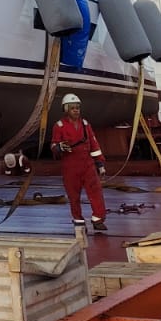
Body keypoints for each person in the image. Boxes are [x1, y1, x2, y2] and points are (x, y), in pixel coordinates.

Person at [51, 93, 107, 232]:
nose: (76, 110)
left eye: (77, 107)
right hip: (70, 167)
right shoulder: (59, 126)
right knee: (73, 195)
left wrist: (100, 164)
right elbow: (53, 145)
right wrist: (58, 147)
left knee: (96, 192)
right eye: (72, 108)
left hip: (87, 165)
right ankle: (79, 221)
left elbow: (94, 144)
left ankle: (98, 219)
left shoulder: (85, 125)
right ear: (66, 110)